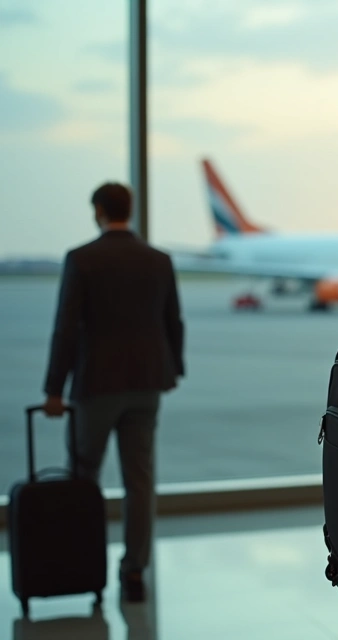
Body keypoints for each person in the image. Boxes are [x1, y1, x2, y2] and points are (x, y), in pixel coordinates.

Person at [42, 182, 185, 603]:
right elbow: (172, 320)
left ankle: (85, 564)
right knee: (139, 480)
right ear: (131, 209)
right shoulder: (157, 260)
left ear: (99, 211)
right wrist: (172, 368)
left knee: (85, 475)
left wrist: (54, 388)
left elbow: (66, 329)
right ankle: (135, 572)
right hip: (146, 384)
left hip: (97, 385)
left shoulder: (82, 259)